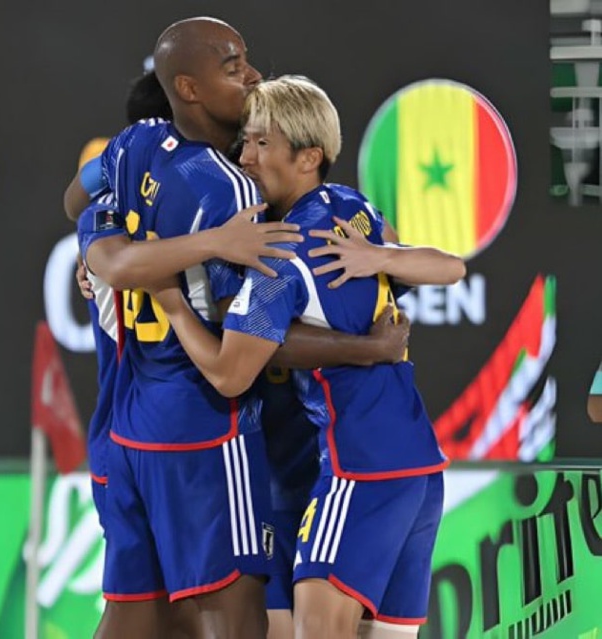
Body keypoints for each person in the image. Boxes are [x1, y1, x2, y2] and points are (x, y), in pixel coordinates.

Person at [146, 76, 465, 639]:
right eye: (244, 142)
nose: (243, 157)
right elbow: (449, 266)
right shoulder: (354, 211)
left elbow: (228, 373)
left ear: (309, 155)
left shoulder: (280, 256)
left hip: (356, 467)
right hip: (418, 469)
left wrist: (169, 299)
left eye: (260, 144)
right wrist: (378, 257)